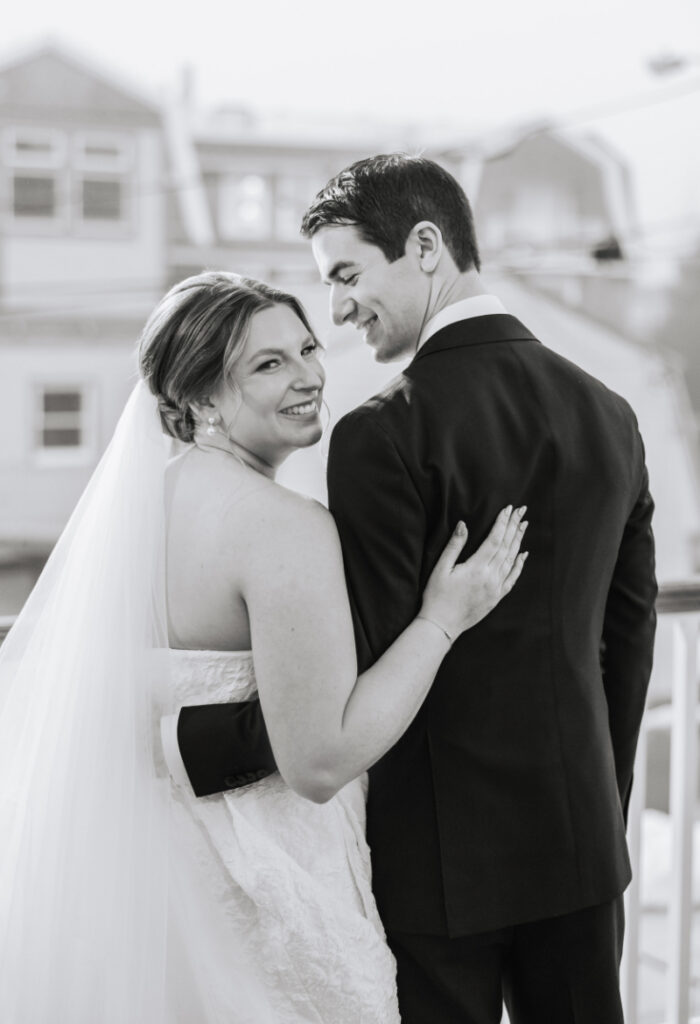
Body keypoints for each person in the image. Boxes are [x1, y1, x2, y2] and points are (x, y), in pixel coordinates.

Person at [172, 156, 658, 1024]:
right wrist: (596, 802)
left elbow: (351, 662)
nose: (340, 309)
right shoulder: (610, 413)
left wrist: (192, 742)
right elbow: (628, 639)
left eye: (348, 275)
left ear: (426, 246)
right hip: (580, 845)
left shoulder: (382, 434)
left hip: (437, 868)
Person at [0, 270, 526, 1023]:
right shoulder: (283, 527)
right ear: (202, 399)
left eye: (307, 347)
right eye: (268, 364)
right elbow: (318, 760)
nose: (309, 375)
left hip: (144, 884)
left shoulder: (131, 519)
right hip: (262, 889)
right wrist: (442, 620)